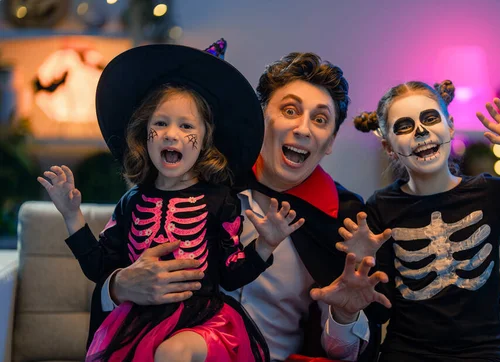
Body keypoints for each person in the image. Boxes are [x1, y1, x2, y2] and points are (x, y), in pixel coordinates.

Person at [96, 52, 390, 361]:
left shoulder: (341, 219)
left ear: (329, 141)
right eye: (290, 110)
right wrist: (119, 286)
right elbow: (108, 274)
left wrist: (344, 315)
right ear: (261, 118)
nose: (303, 129)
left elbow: (342, 353)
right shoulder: (201, 184)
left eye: (320, 119)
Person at [38, 42, 304, 361]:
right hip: (137, 321)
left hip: (201, 322)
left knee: (172, 353)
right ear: (144, 134)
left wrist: (265, 245)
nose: (170, 134)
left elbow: (231, 273)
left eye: (186, 126)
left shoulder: (220, 200)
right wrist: (72, 215)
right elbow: (101, 268)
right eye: (160, 123)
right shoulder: (131, 201)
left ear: (206, 139)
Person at [338, 80, 500, 361]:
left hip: (482, 354)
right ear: (389, 146)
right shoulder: (380, 206)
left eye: (430, 118)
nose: (421, 131)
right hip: (407, 354)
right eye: (404, 126)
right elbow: (381, 311)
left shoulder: (490, 193)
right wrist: (363, 270)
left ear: (449, 126)